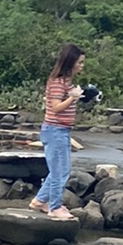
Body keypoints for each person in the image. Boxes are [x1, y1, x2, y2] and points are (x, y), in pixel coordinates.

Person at [32, 44, 85, 219]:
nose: (82, 66)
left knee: (60, 169)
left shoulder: (67, 82)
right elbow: (55, 108)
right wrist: (72, 97)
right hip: (55, 130)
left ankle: (40, 201)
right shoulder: (58, 82)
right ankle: (55, 207)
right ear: (71, 62)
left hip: (61, 130)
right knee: (61, 171)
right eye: (80, 62)